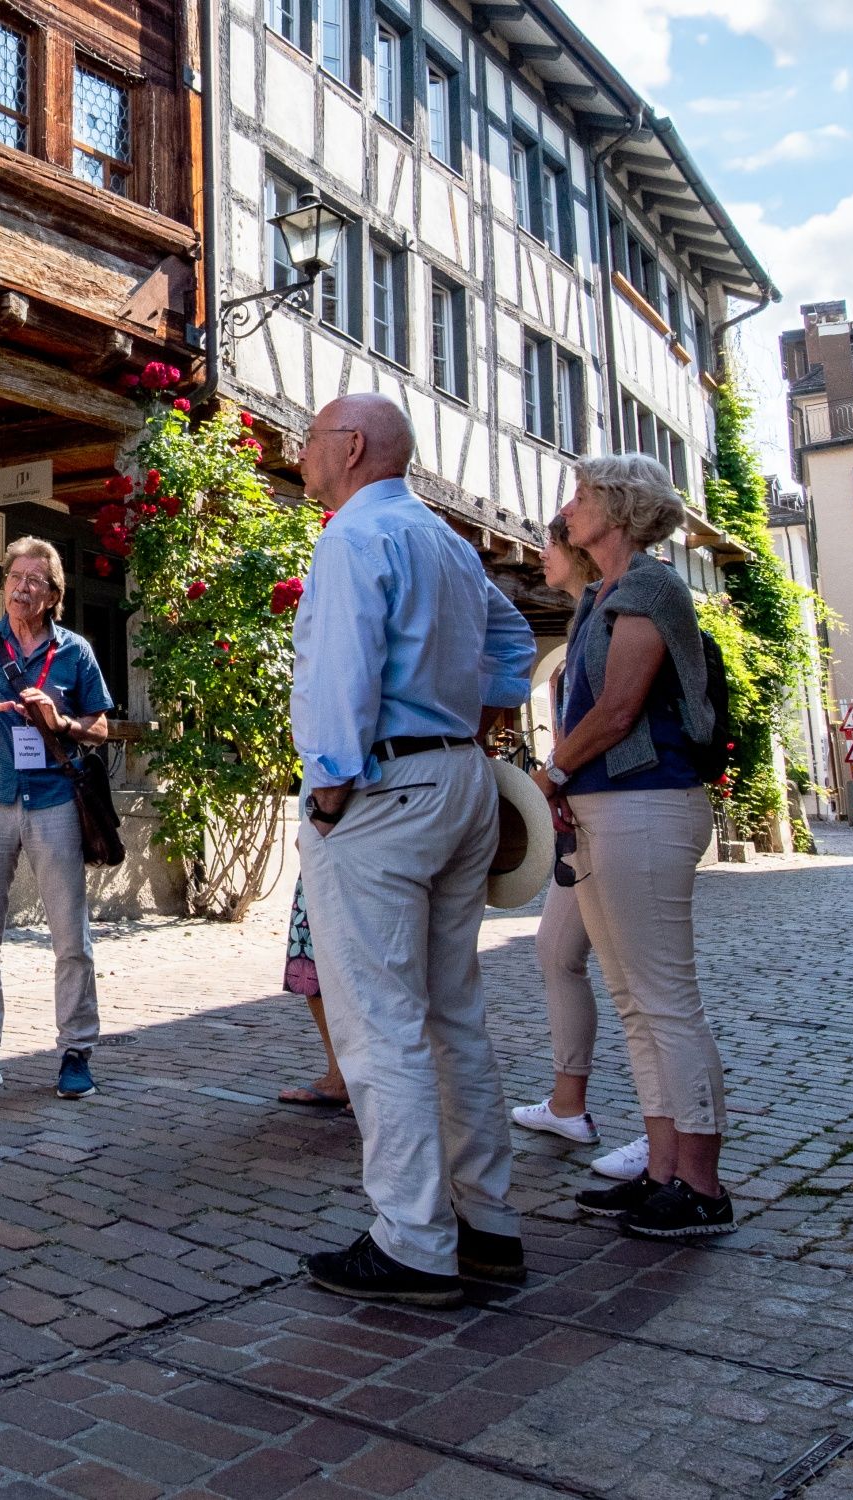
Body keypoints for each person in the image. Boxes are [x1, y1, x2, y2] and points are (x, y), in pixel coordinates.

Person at [290, 393, 536, 1308]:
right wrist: (477, 714)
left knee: (378, 1021)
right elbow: (511, 638)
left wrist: (331, 784)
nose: (301, 450)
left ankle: (412, 1242)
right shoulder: (444, 541)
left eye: (313, 437)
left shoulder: (353, 538)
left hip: (385, 790)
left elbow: (341, 668)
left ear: (350, 448)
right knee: (451, 1015)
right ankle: (489, 1226)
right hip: (460, 780)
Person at [533, 454, 732, 1238]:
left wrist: (551, 774)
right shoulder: (604, 596)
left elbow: (618, 712)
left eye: (582, 495)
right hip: (608, 809)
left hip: (648, 806)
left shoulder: (649, 587)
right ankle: (661, 1171)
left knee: (666, 1002)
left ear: (617, 508)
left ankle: (703, 1186)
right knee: (634, 1002)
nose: (569, 508)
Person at [0, 537, 114, 1101]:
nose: (22, 586)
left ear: (54, 593)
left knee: (70, 933)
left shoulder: (76, 651)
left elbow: (101, 726)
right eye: (15, 576)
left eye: (35, 579)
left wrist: (61, 721)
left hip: (55, 799)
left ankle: (76, 1050)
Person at [509, 520, 647, 1181]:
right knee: (557, 951)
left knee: (642, 983)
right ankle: (569, 1105)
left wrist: (554, 775)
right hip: (584, 816)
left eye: (548, 544)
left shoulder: (624, 606)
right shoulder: (583, 621)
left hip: (622, 811)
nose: (539, 555)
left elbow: (618, 715)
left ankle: (665, 1137)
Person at [277, 877, 348, 1111]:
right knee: (312, 970)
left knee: (378, 973)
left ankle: (379, 1086)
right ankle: (339, 1077)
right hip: (318, 863)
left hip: (368, 861)